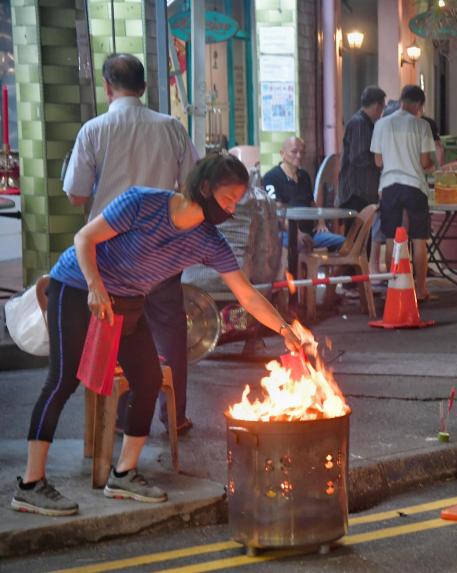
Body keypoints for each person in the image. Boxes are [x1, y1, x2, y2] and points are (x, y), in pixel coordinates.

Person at [12, 154, 305, 517]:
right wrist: (95, 285)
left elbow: (246, 295)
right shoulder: (142, 203)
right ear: (205, 188)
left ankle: (124, 474)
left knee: (149, 379)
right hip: (76, 287)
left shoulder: (208, 240)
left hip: (128, 300)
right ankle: (30, 484)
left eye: (236, 202)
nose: (231, 209)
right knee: (62, 380)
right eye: (228, 198)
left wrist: (284, 329)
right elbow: (84, 238)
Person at [63, 53, 198, 435]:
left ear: (107, 87)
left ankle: (122, 419)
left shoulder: (94, 130)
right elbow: (192, 187)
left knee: (118, 333)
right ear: (144, 87)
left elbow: (76, 195)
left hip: (112, 253)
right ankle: (174, 415)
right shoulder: (171, 127)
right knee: (169, 331)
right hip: (162, 249)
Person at [370, 85, 436, 301]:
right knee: (418, 239)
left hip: (389, 185)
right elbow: (425, 162)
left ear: (401, 100)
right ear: (418, 105)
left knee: (392, 237)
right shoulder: (422, 126)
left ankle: (394, 286)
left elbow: (378, 161)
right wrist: (430, 165)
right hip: (415, 186)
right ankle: (421, 289)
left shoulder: (381, 124)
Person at [263, 136, 346, 253]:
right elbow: (277, 212)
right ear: (282, 153)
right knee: (300, 244)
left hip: (310, 233)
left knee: (344, 242)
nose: (299, 156)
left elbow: (312, 202)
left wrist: (321, 222)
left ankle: (330, 265)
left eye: (302, 152)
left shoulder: (304, 176)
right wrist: (298, 234)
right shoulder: (271, 177)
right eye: (294, 151)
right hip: (286, 234)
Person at [337, 86, 386, 278]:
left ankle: (357, 281)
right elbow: (358, 157)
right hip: (356, 191)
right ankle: (350, 282)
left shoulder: (366, 124)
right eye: (382, 107)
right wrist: (379, 160)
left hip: (363, 191)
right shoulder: (359, 124)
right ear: (377, 106)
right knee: (355, 241)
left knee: (361, 241)